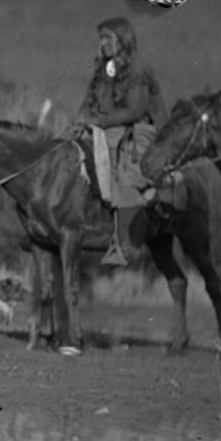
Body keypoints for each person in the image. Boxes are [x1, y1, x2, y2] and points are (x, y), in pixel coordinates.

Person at [80, 16, 162, 267]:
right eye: (100, 38)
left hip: (141, 131)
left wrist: (99, 123)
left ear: (122, 39)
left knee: (123, 175)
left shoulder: (137, 66)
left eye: (108, 38)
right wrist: (79, 122)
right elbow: (88, 103)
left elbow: (135, 111)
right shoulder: (103, 67)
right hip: (109, 128)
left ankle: (124, 243)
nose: (102, 43)